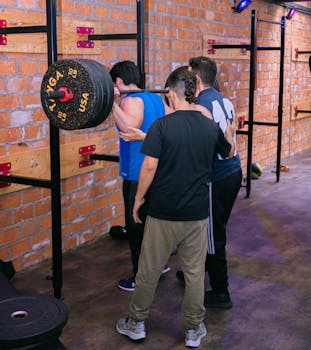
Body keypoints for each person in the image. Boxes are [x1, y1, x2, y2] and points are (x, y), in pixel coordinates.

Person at [116, 68, 235, 348]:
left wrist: (137, 200)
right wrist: (230, 131)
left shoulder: (162, 126)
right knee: (194, 273)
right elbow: (227, 150)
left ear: (170, 93)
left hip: (163, 212)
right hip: (196, 214)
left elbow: (150, 165)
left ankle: (136, 323)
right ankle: (194, 330)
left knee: (148, 270)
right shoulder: (208, 124)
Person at [184, 56, 243, 309]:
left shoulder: (200, 106)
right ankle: (196, 272)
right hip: (233, 172)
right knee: (204, 230)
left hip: (217, 177)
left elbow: (206, 145)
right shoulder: (223, 98)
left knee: (212, 235)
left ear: (196, 78)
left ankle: (221, 292)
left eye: (188, 75)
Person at [110, 60, 170, 292]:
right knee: (151, 223)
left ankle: (139, 277)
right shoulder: (155, 98)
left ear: (118, 82)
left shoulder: (129, 100)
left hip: (137, 173)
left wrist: (111, 104)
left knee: (135, 227)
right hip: (157, 168)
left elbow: (129, 128)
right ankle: (160, 264)